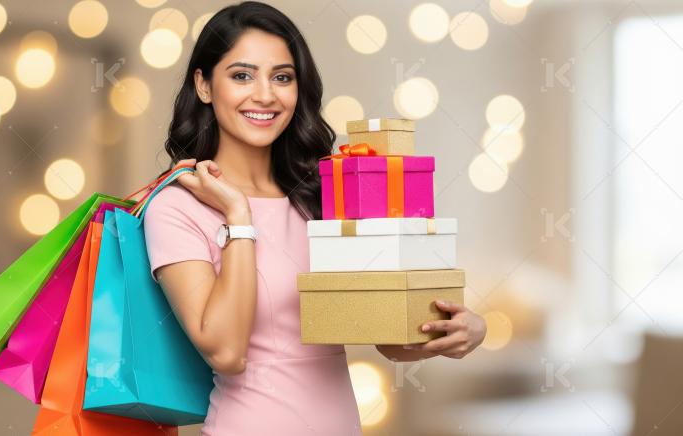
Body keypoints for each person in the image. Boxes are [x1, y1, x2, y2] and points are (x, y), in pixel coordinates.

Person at [144, 2, 487, 434]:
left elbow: (386, 337)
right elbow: (226, 351)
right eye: (242, 75)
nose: (266, 94)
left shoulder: (321, 198)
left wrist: (458, 332)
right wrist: (238, 216)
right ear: (205, 85)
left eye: (282, 77)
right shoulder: (176, 208)